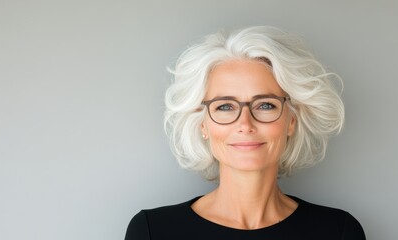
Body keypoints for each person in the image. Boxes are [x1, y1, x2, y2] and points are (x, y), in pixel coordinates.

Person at [125, 26, 366, 239]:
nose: (245, 123)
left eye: (265, 105)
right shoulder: (152, 231)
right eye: (225, 107)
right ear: (203, 124)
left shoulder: (338, 231)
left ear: (291, 120)